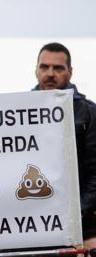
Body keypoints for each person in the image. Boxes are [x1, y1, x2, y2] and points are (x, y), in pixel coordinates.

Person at [34, 42, 96, 223]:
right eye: (44, 67)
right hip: (32, 221)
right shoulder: (18, 112)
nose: (50, 74)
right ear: (36, 70)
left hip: (76, 222)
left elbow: (94, 174)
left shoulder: (89, 113)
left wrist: (75, 216)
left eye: (58, 68)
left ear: (70, 72)